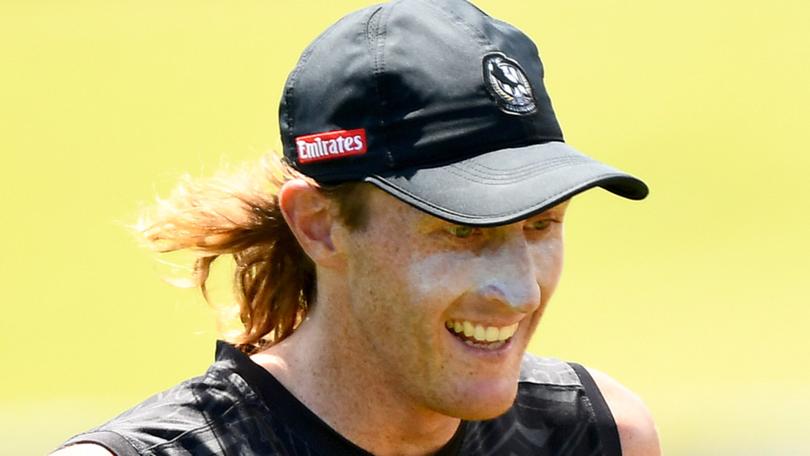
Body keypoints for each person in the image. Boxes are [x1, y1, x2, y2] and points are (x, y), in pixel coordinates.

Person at [54, 0, 661, 454]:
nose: (521, 291)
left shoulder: (599, 437)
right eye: (461, 231)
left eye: (540, 225)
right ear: (320, 227)